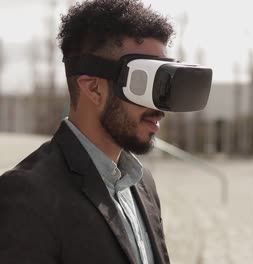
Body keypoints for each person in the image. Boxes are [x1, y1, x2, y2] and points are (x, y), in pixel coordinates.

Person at [0, 0, 177, 263]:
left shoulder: (142, 183)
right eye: (144, 82)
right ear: (93, 88)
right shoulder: (28, 195)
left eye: (163, 84)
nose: (159, 108)